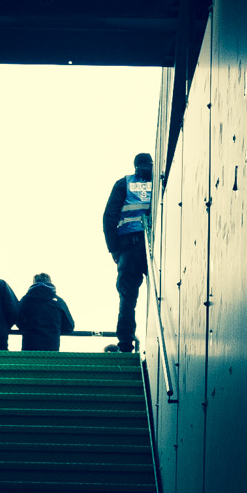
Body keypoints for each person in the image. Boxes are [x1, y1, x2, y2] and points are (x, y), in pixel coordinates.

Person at [102, 151, 152, 352]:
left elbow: (109, 217)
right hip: (154, 246)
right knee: (160, 292)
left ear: (135, 165)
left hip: (129, 248)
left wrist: (114, 249)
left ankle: (125, 345)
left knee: (127, 298)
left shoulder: (124, 184)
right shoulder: (159, 182)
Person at [18, 273, 74, 351]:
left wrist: (26, 328)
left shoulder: (25, 300)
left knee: (29, 359)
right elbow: (69, 327)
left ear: (34, 283)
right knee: (50, 359)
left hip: (29, 346)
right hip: (51, 347)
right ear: (50, 282)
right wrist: (55, 330)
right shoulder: (58, 301)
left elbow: (17, 319)